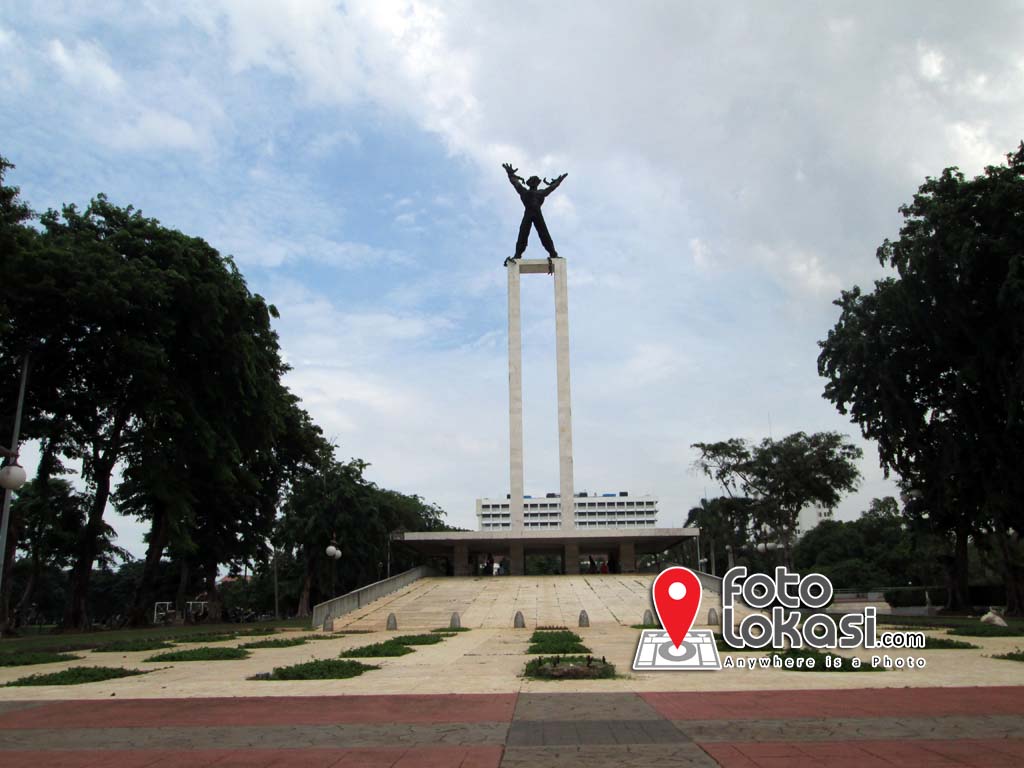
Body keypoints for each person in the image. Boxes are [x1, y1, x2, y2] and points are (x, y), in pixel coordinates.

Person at [502, 163, 568, 263]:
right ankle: (518, 254)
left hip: (536, 213)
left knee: (543, 234)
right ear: (530, 183)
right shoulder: (525, 192)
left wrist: (559, 181)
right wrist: (510, 174)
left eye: (535, 181)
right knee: (523, 234)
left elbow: (552, 187)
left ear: (536, 183)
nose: (533, 183)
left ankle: (553, 253)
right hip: (529, 213)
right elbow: (515, 182)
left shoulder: (539, 192)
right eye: (532, 181)